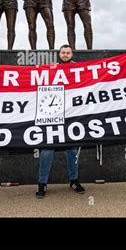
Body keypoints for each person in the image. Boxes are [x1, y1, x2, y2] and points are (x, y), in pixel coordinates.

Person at [35, 44, 85, 198]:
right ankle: (42, 183)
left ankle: (74, 180)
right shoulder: (51, 68)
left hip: (72, 115)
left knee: (72, 149)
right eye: (63, 52)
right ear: (59, 54)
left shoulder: (80, 69)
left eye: (68, 52)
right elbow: (35, 75)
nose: (65, 54)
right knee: (46, 151)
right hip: (52, 115)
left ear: (72, 54)